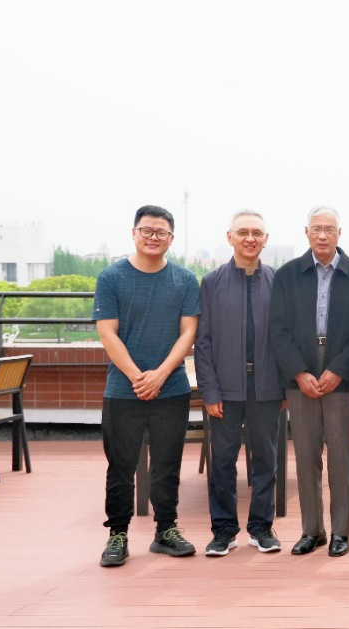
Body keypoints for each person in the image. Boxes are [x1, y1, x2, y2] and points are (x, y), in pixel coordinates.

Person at [95, 205, 200, 567]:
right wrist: (137, 376)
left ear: (171, 238)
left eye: (161, 232)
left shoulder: (185, 280)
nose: (153, 237)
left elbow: (188, 332)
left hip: (171, 388)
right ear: (134, 233)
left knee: (167, 464)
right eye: (147, 230)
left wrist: (160, 374)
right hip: (122, 390)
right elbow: (107, 333)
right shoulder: (111, 278)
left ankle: (166, 530)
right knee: (120, 466)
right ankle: (117, 535)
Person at [269, 206, 349, 558]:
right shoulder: (287, 275)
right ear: (306, 232)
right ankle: (311, 530)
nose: (323, 235)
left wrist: (340, 369)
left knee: (341, 455)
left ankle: (341, 531)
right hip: (300, 370)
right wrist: (298, 372)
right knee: (305, 454)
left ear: (339, 233)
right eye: (316, 228)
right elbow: (278, 329)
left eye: (329, 228)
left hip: (340, 370)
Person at [195, 210, 284, 557]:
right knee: (222, 462)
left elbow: (287, 337)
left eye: (257, 233)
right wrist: (210, 390)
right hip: (225, 387)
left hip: (267, 386)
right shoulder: (212, 282)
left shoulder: (278, 281)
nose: (250, 238)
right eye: (243, 232)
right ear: (229, 236)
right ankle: (223, 530)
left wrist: (284, 386)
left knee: (266, 460)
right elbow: (202, 342)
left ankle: (261, 527)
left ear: (265, 239)